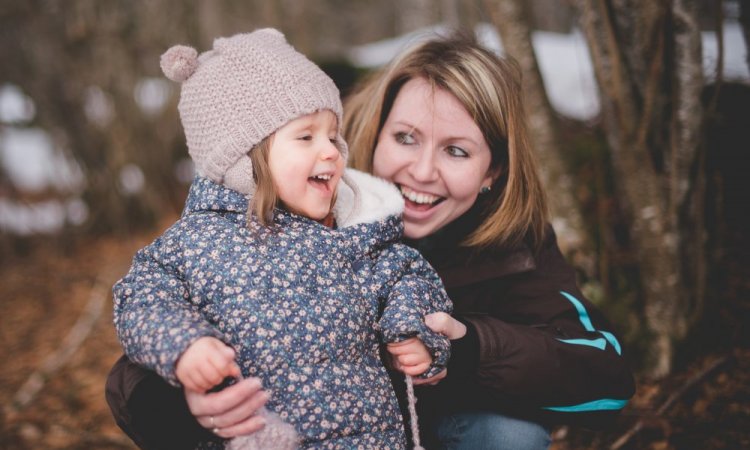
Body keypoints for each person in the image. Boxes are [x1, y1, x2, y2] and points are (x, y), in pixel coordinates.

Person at [106, 30, 635, 450]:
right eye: (405, 138)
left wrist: (470, 348)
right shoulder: (290, 210)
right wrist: (189, 402)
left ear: (493, 170)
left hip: (414, 432)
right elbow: (145, 335)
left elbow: (606, 379)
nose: (421, 172)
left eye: (456, 151)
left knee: (507, 434)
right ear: (373, 131)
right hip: (281, 431)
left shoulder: (512, 246)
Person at [111, 28, 453, 450]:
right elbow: (141, 301)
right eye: (306, 136)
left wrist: (414, 331)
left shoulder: (351, 232)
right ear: (243, 159)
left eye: (333, 135)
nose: (331, 151)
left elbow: (409, 276)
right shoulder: (193, 246)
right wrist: (185, 347)